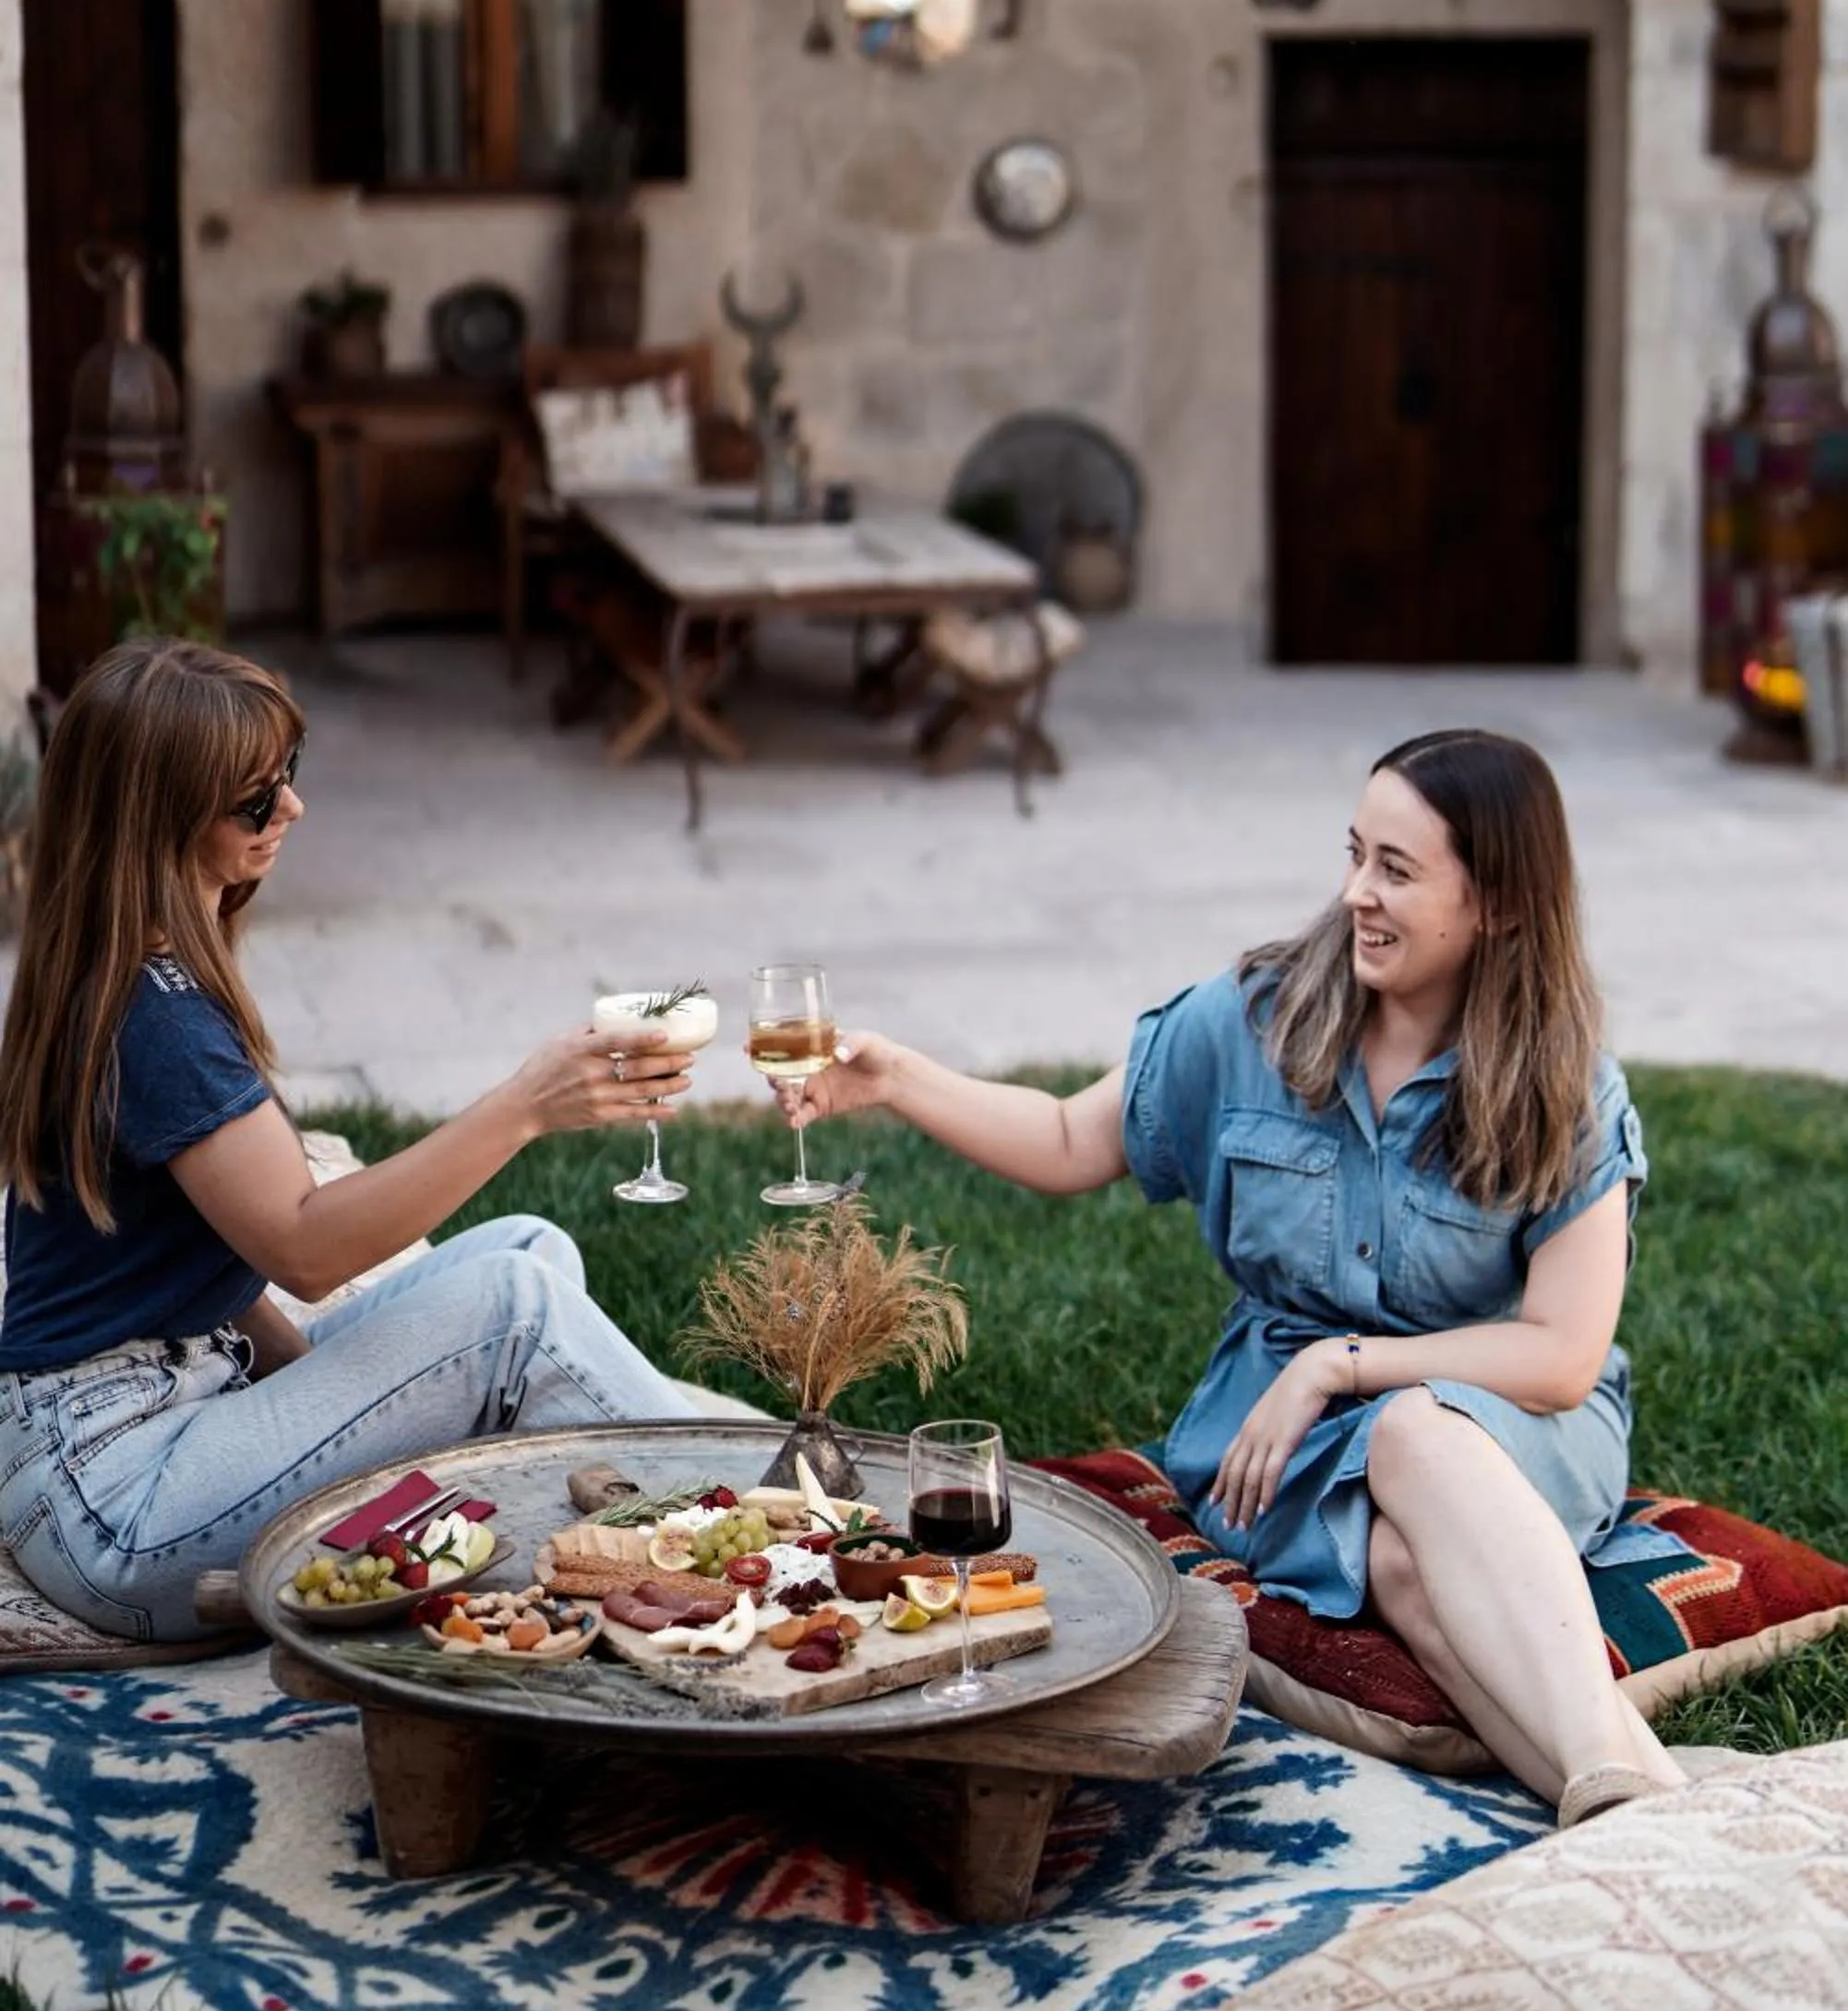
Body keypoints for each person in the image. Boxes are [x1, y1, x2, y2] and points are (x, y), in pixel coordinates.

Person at [786, 728, 1683, 1826]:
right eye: (1354, 854)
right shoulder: (1256, 1018)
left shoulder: (1566, 1083)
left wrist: (1340, 1365)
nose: (1355, 894)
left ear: (1496, 903)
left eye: (1396, 871)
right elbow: (1068, 1140)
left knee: (1415, 1430)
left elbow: (1561, 1356)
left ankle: (1619, 1794)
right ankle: (1644, 1805)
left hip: (1511, 1425)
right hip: (1285, 1447)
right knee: (1406, 1570)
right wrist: (898, 1078)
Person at [0, 637, 695, 1644]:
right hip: (115, 1504)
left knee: (530, 1248)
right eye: (255, 801)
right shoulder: (156, 1018)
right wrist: (525, 1106)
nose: (292, 808)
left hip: (153, 1419)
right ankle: (741, 1533)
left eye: (287, 773)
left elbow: (216, 1260)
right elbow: (305, 1248)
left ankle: (568, 1539)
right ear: (159, 821)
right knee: (513, 1309)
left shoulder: (127, 971)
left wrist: (332, 1399)